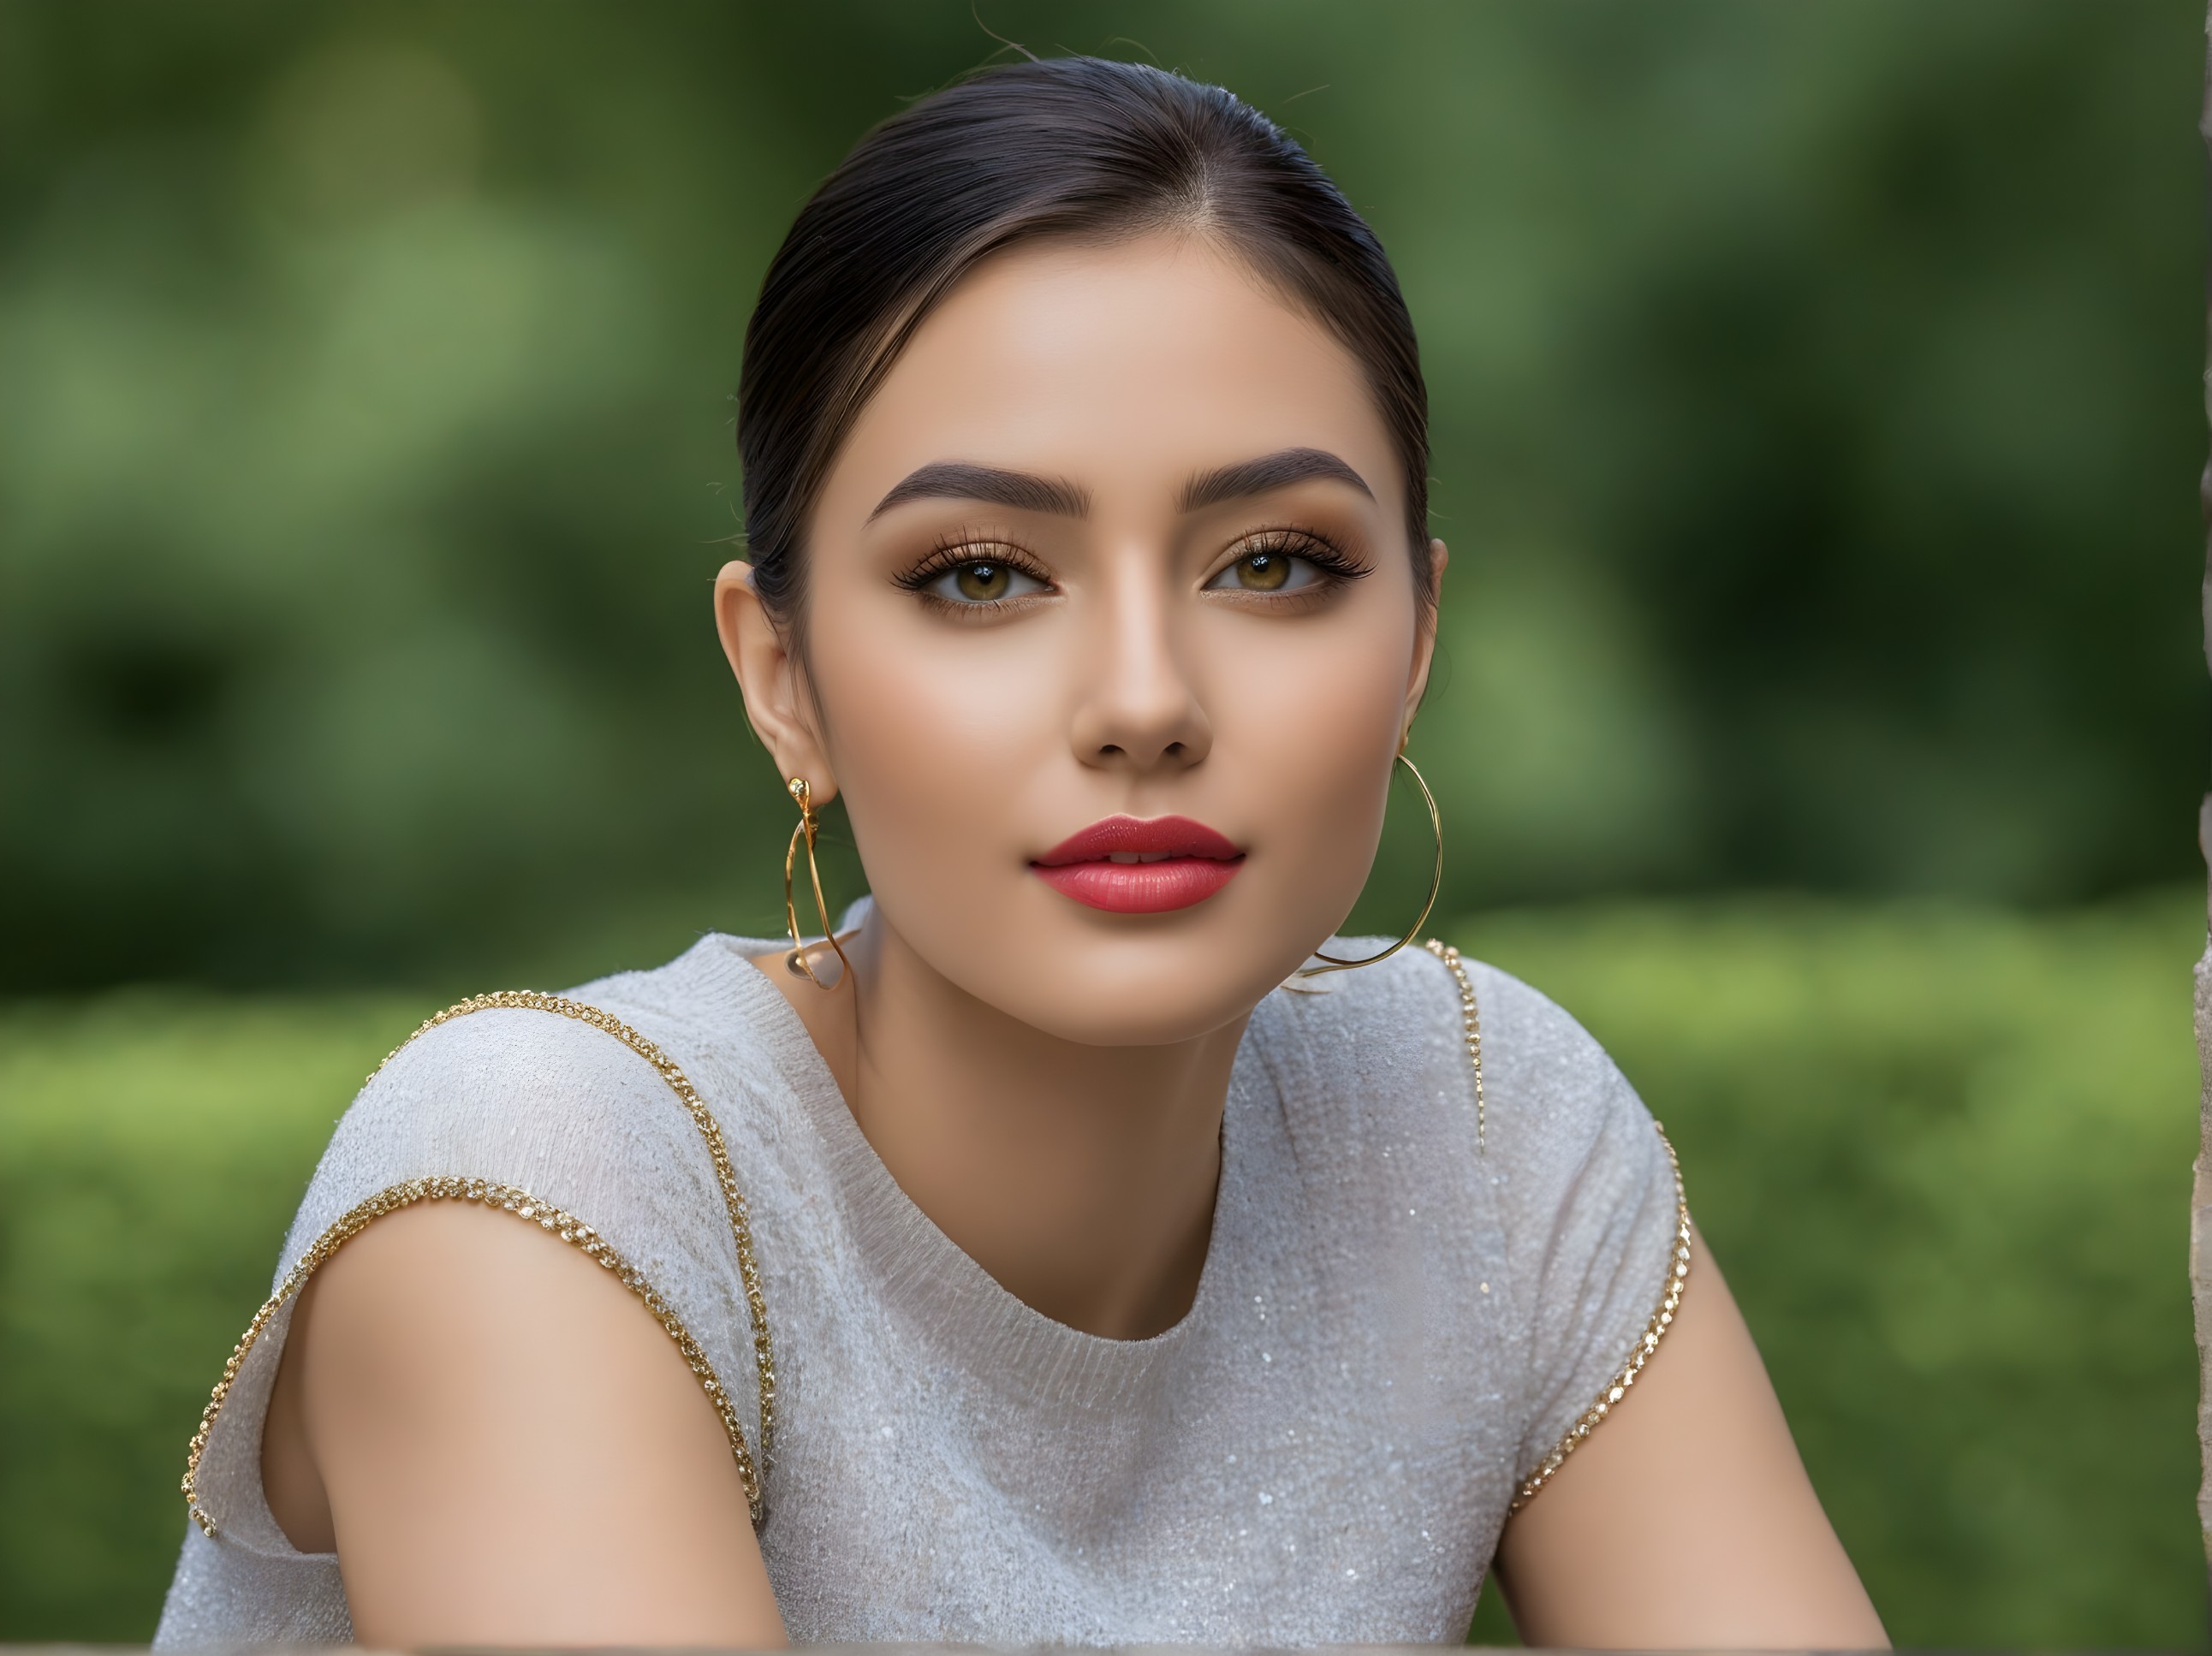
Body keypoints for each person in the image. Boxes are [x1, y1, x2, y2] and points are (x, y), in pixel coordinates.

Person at [157, 56, 1886, 1650]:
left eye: (1272, 562)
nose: (1143, 701)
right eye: (980, 572)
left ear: (1418, 636)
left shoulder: (1483, 1125)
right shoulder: (546, 1173)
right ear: (783, 678)